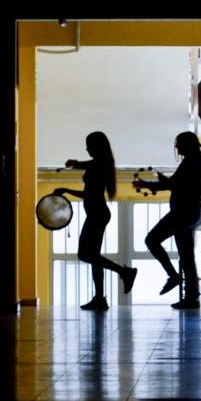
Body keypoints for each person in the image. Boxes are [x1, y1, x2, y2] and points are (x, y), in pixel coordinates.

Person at [54, 131, 137, 310]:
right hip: (98, 214)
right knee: (93, 256)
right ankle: (100, 298)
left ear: (97, 147)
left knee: (85, 254)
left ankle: (125, 272)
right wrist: (75, 164)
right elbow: (86, 167)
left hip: (97, 214)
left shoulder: (98, 164)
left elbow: (88, 193)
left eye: (89, 146)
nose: (87, 149)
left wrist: (66, 189)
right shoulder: (101, 163)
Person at [144, 131, 201, 310]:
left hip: (182, 213)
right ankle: (191, 298)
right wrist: (167, 182)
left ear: (186, 146)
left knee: (151, 240)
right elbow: (179, 184)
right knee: (187, 257)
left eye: (179, 146)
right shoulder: (195, 162)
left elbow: (173, 184)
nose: (177, 149)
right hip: (192, 213)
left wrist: (147, 185)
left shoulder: (189, 162)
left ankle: (173, 276)